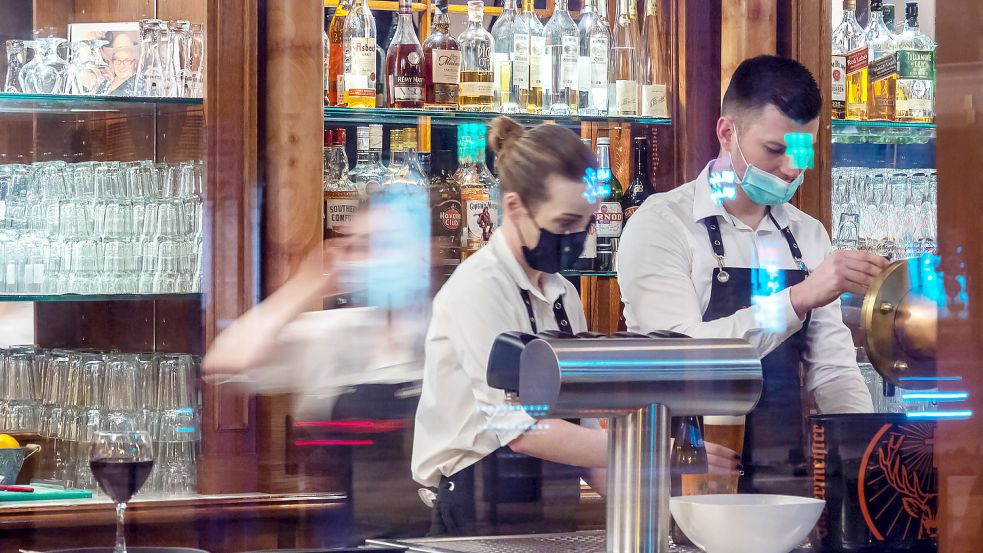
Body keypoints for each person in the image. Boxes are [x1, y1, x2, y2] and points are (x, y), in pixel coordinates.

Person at [411, 117, 740, 537]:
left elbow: (583, 437)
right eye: (565, 223)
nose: (576, 239)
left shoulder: (564, 294)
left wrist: (663, 518)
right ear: (514, 207)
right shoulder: (478, 290)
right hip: (476, 505)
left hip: (553, 499)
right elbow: (520, 431)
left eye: (584, 224)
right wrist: (668, 453)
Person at [618, 55, 885, 494]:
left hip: (791, 482)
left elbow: (833, 372)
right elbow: (681, 356)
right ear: (727, 133)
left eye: (803, 151)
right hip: (693, 478)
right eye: (776, 150)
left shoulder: (807, 234)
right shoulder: (663, 223)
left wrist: (866, 455)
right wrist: (798, 299)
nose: (792, 168)